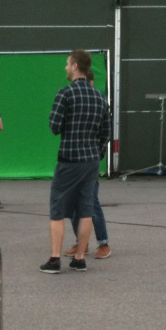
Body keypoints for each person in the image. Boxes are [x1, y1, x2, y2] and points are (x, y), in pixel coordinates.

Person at [40, 50, 111, 274]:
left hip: (69, 159)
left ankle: (54, 259)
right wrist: (96, 154)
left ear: (75, 66)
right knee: (85, 209)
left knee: (57, 209)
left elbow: (54, 127)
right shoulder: (100, 97)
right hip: (91, 162)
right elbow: (106, 133)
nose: (65, 67)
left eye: (67, 64)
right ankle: (80, 258)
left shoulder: (65, 94)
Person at [64, 69, 111, 260]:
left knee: (91, 202)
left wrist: (96, 155)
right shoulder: (76, 104)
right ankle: (81, 242)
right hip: (74, 161)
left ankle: (104, 243)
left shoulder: (99, 102)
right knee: (74, 203)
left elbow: (105, 134)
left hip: (90, 161)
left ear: (90, 83)